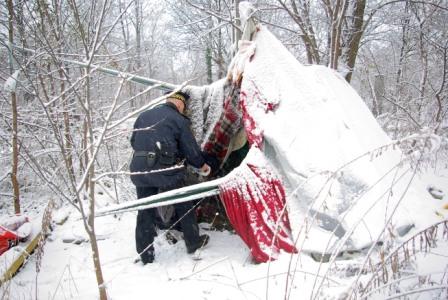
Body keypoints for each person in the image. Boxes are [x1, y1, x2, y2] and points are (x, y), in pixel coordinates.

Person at [129, 91, 211, 264]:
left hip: (140, 169)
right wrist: (201, 164)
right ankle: (193, 242)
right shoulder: (178, 119)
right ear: (180, 104)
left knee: (145, 209)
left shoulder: (143, 116)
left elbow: (134, 141)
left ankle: (145, 254)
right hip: (165, 168)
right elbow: (190, 149)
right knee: (184, 200)